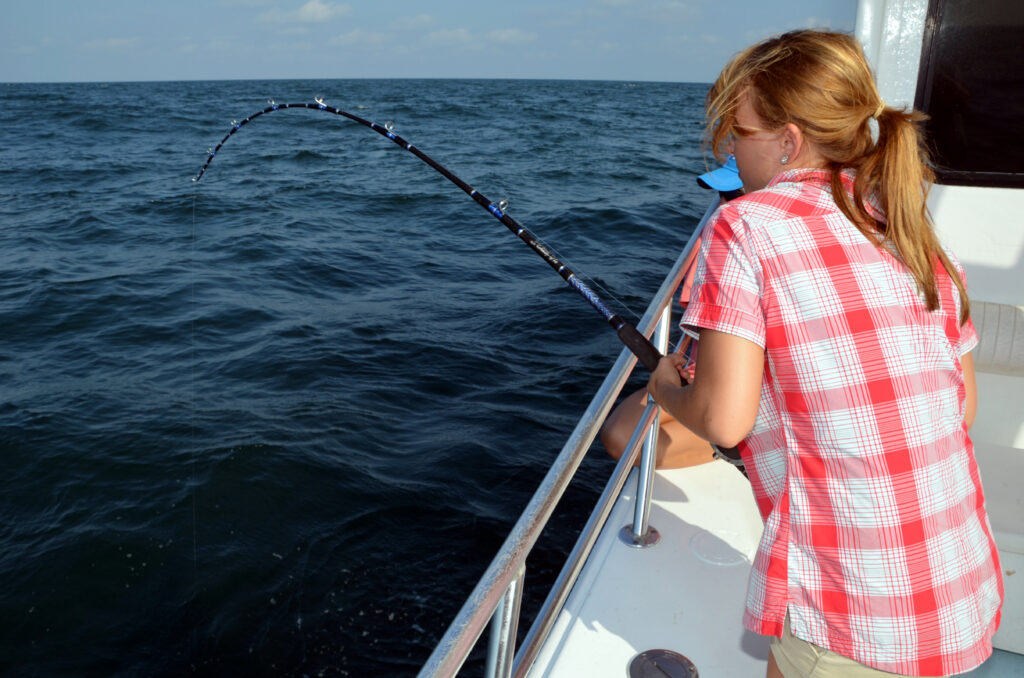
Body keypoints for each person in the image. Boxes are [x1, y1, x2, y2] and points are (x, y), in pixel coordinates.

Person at [647, 30, 1002, 677]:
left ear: (787, 141)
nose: (731, 150)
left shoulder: (744, 225)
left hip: (851, 611)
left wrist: (665, 387)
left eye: (738, 133)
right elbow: (963, 407)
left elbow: (723, 420)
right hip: (957, 589)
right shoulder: (908, 224)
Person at [600, 156, 743, 469]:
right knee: (617, 429)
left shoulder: (743, 254)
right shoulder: (724, 242)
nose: (723, 205)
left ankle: (743, 450)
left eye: (734, 195)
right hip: (713, 385)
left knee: (622, 437)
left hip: (745, 408)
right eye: (722, 195)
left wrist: (671, 387)